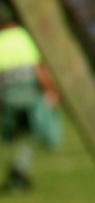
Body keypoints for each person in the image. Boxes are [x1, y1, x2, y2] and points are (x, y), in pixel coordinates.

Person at [0, 20, 60, 191]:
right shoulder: (23, 36)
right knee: (30, 133)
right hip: (29, 94)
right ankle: (19, 165)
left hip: (6, 96)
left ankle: (16, 174)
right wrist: (50, 90)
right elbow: (38, 68)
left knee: (10, 136)